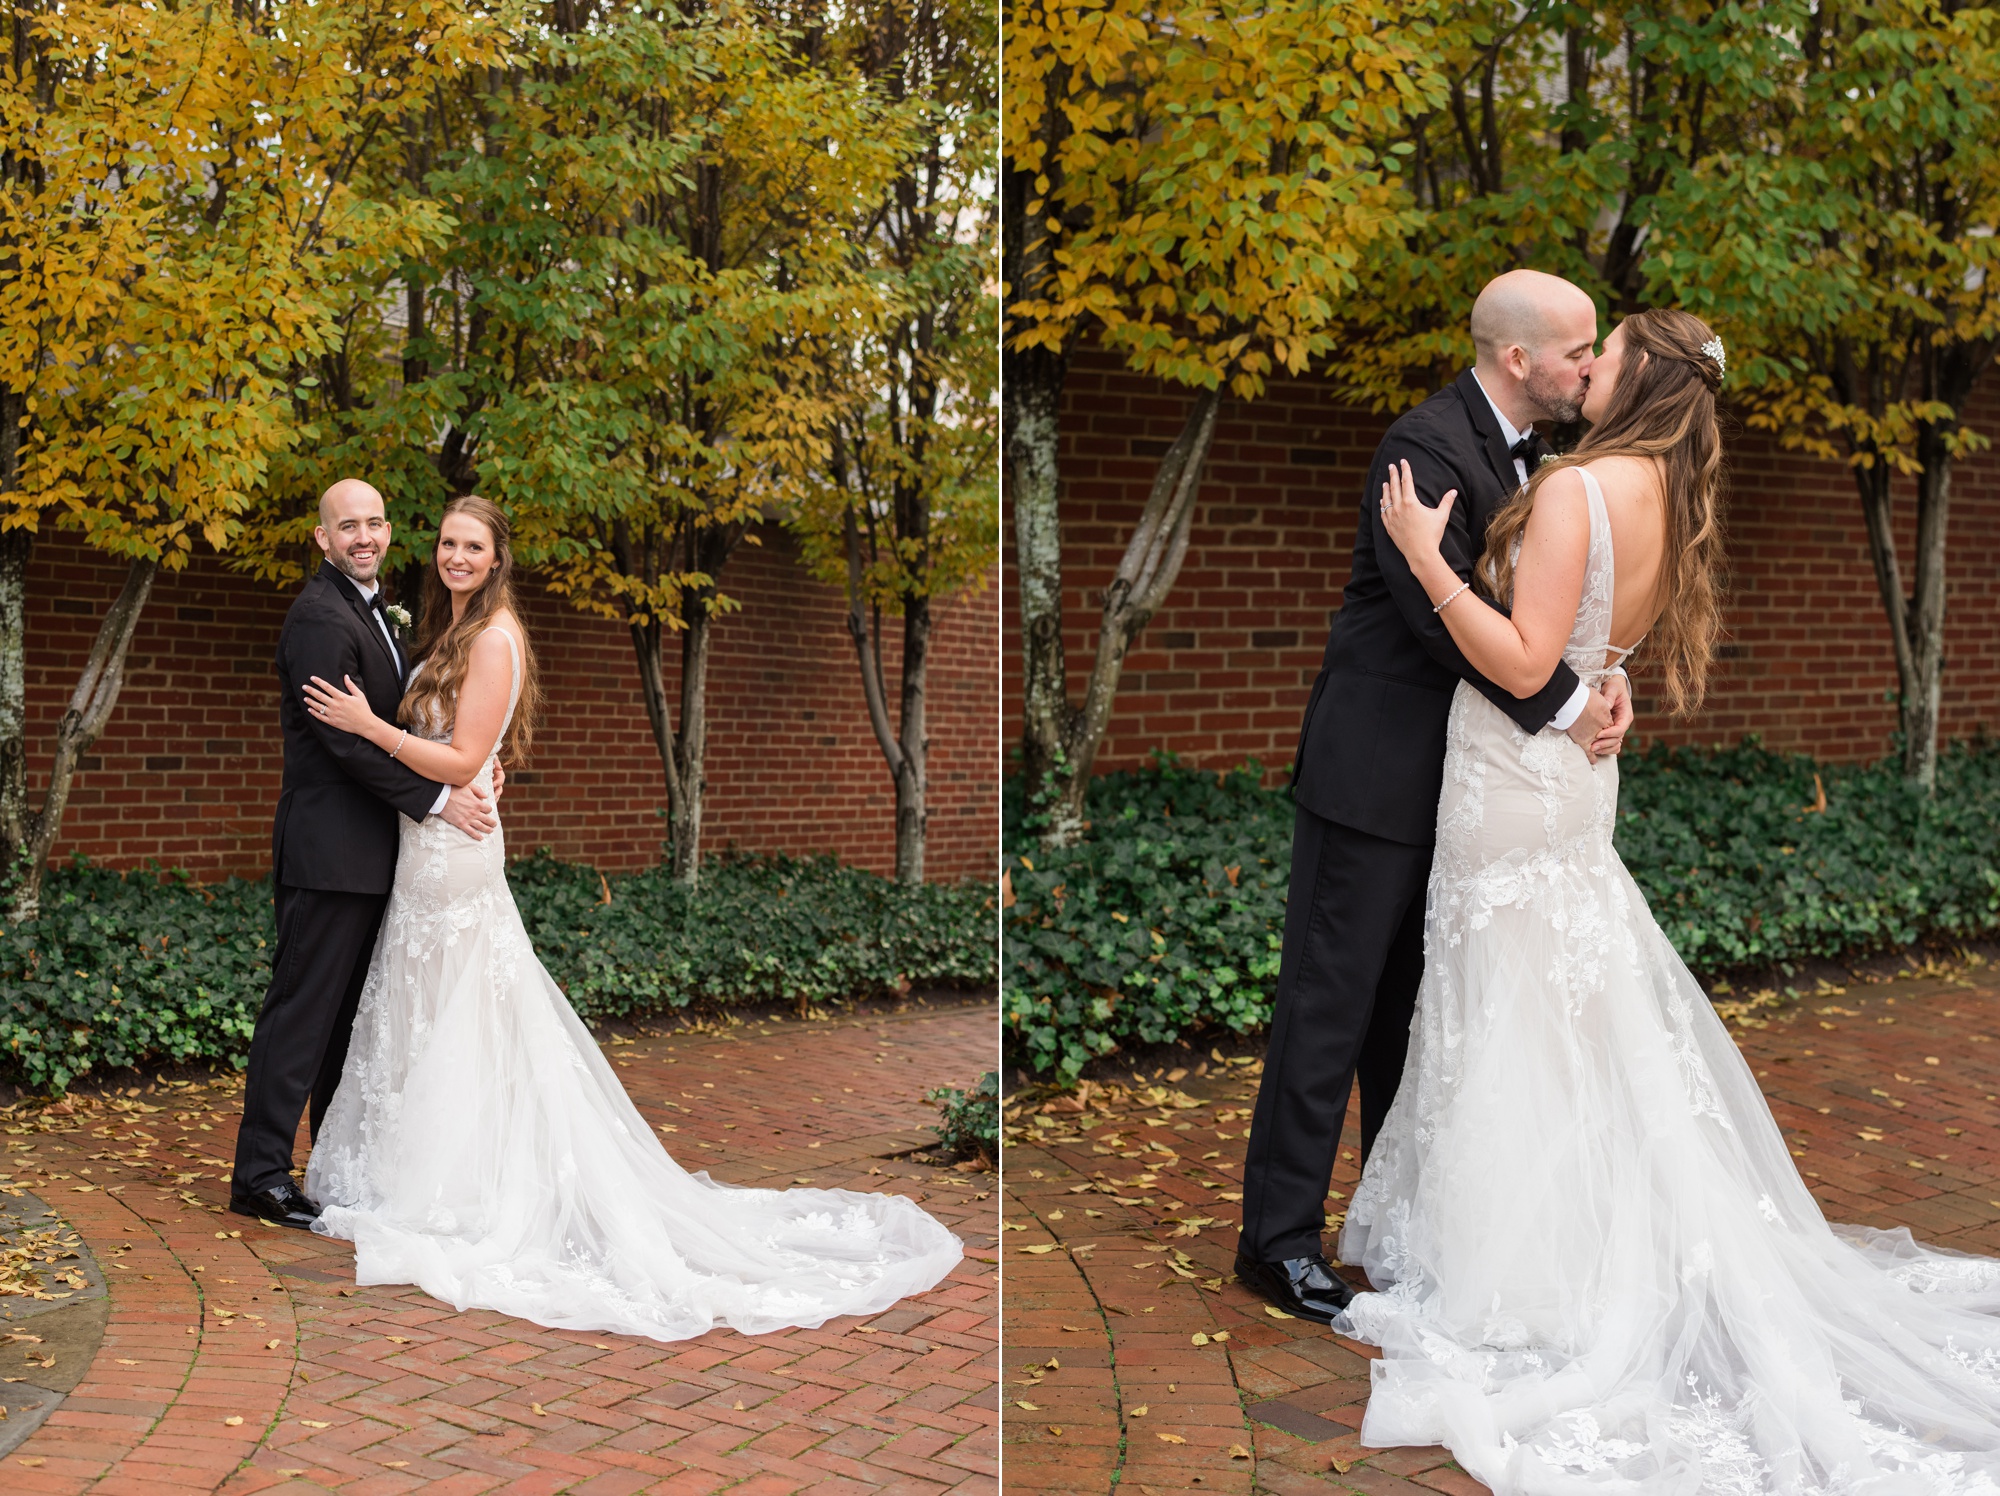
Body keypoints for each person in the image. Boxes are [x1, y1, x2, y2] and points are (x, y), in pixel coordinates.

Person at [1353, 307, 2000, 1495]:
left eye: (1603, 357)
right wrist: (1607, 689)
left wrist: (1424, 555)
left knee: (1509, 1011)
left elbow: (1519, 656)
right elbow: (1600, 654)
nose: (1584, 367)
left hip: (1509, 784)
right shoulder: (1664, 490)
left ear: (1638, 375)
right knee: (1554, 1017)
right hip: (1569, 784)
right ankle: (1575, 1237)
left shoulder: (1571, 490)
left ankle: (1525, 1271)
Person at [298, 494, 963, 1340]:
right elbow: (467, 752)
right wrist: (454, 757)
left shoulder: (496, 636)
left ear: (498, 559)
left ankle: (464, 1188)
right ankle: (427, 1171)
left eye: (472, 546)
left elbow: (463, 756)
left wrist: (372, 727)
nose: (455, 556)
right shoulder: (447, 630)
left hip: (455, 858)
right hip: (423, 851)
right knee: (431, 1015)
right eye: (446, 541)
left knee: (466, 1010)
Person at [1235, 271, 1632, 1321]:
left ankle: (1390, 1222)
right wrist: (1566, 709)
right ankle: (1274, 1242)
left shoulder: (1548, 460)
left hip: (1467, 791)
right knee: (1329, 1009)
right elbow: (1433, 619)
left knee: (1411, 1023)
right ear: (1516, 360)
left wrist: (1604, 677)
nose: (1588, 366)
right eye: (1575, 350)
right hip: (1373, 778)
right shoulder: (1420, 445)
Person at [230, 479, 500, 1231]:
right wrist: (441, 798)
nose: (364, 537)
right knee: (302, 1013)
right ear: (323, 539)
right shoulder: (319, 616)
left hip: (375, 854)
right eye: (347, 526)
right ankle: (258, 1175)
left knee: (345, 1021)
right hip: (329, 850)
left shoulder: (376, 610)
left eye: (375, 523)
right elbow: (346, 741)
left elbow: (408, 718)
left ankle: (324, 1164)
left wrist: (473, 761)